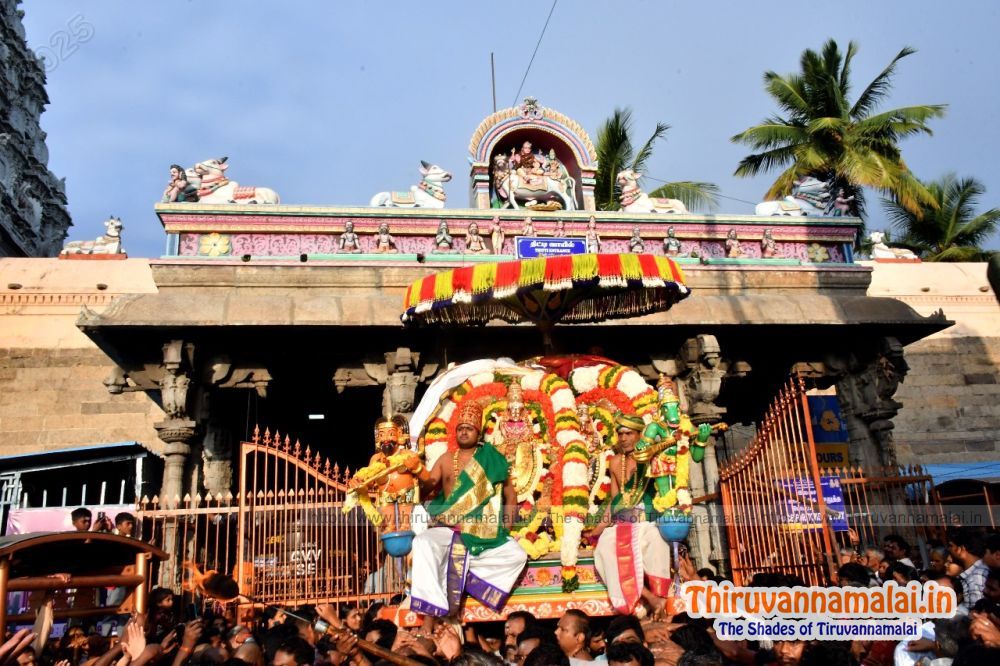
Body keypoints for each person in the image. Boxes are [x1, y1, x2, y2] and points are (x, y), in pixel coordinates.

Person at [410, 400, 528, 623]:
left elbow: (511, 496)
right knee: (422, 542)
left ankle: (466, 577)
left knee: (517, 555)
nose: (464, 432)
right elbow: (427, 487)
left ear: (478, 432)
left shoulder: (492, 459)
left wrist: (506, 528)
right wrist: (415, 471)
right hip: (448, 528)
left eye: (469, 429)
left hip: (483, 532)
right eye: (460, 429)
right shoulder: (445, 459)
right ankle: (434, 605)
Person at [590, 412, 675, 616]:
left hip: (648, 522)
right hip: (621, 524)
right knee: (604, 548)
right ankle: (648, 598)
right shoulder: (616, 462)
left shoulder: (652, 457)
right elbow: (615, 499)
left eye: (628, 433)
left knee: (657, 541)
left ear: (640, 435)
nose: (623, 438)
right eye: (620, 434)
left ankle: (662, 599)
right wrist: (599, 527)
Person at [949, 530, 990, 606]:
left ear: (960, 549)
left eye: (951, 546)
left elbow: (975, 614)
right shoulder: (977, 571)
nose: (948, 550)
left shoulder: (975, 578)